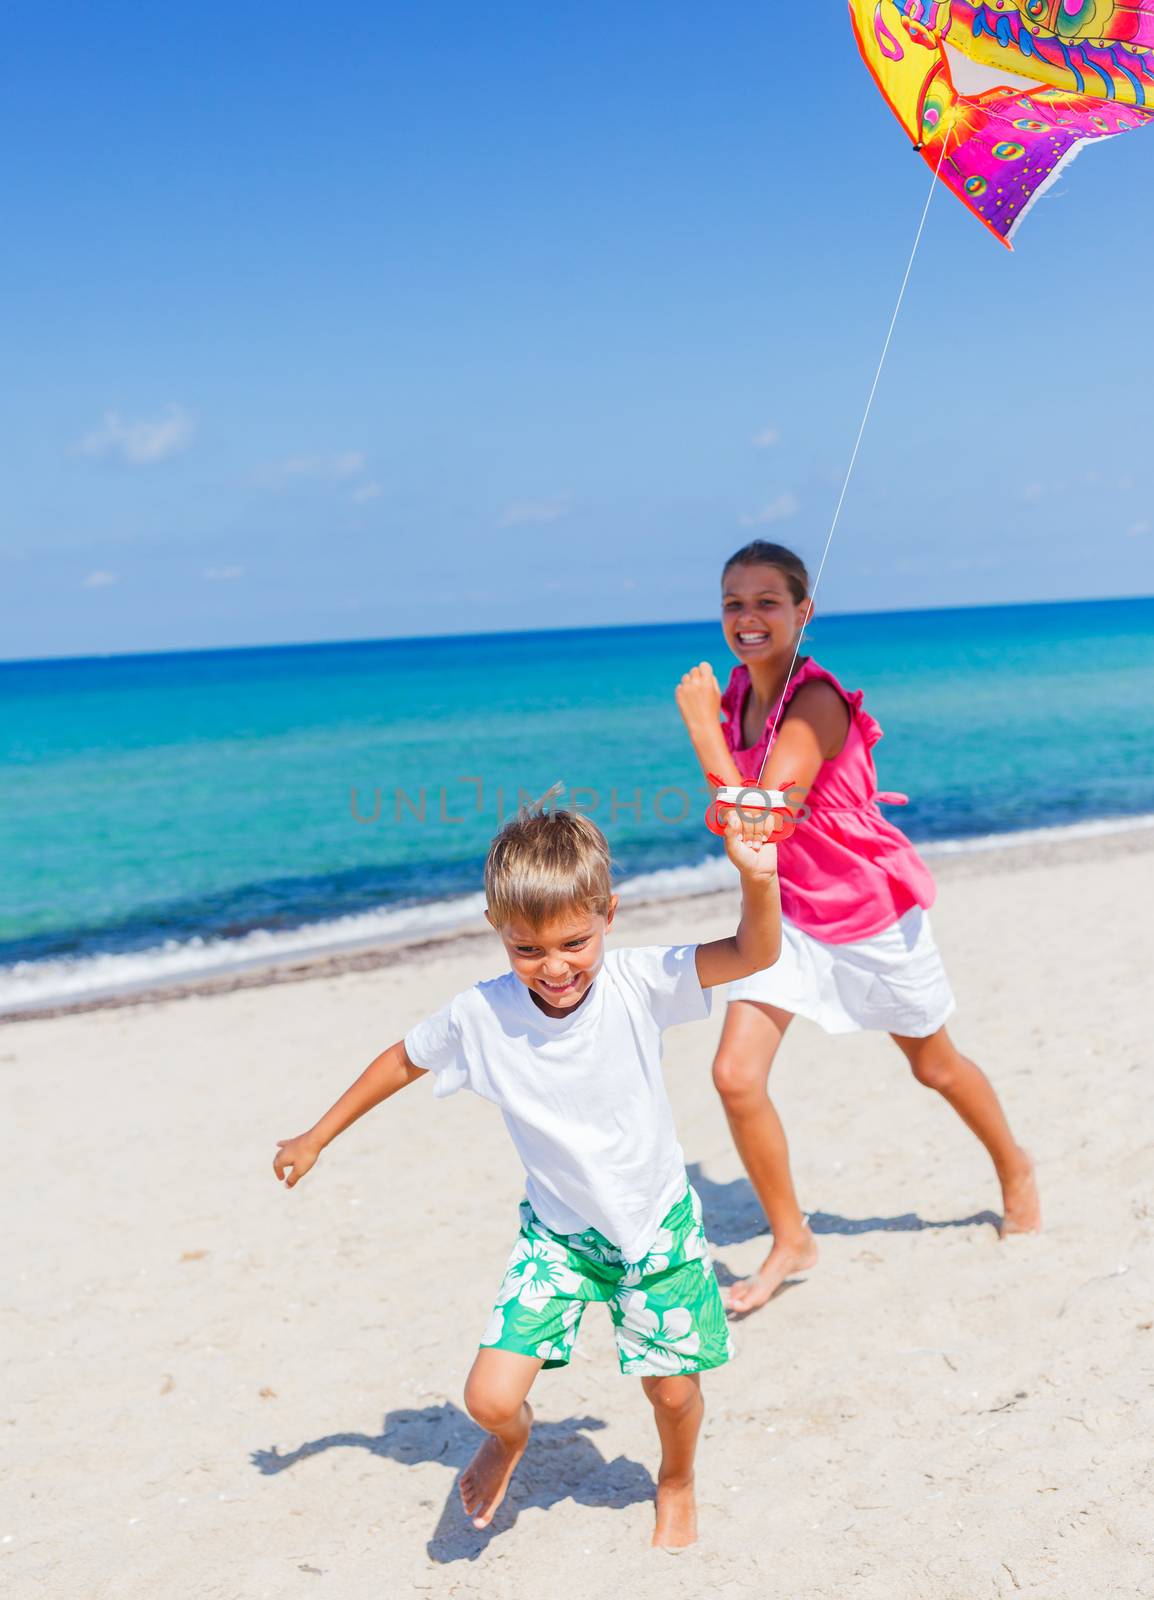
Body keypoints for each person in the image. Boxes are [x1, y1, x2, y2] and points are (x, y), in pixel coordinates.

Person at [272, 799, 781, 1549]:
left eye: (574, 942)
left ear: (609, 913)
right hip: (561, 1243)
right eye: (527, 951)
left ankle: (675, 1480)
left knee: (672, 1394)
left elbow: (754, 952)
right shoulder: (481, 1015)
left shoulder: (640, 983)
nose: (554, 969)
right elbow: (402, 1059)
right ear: (496, 931)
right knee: (487, 1398)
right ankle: (513, 1440)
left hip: (655, 1231)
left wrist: (758, 881)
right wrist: (317, 1135)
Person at [676, 539, 1041, 1317]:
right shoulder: (738, 690)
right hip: (786, 921)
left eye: (767, 602)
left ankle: (1015, 1167)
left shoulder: (816, 703)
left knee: (935, 1067)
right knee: (735, 1077)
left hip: (867, 918)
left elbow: (759, 822)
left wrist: (702, 733)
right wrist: (718, 719)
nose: (747, 617)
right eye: (734, 602)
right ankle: (792, 1237)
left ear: (803, 613)